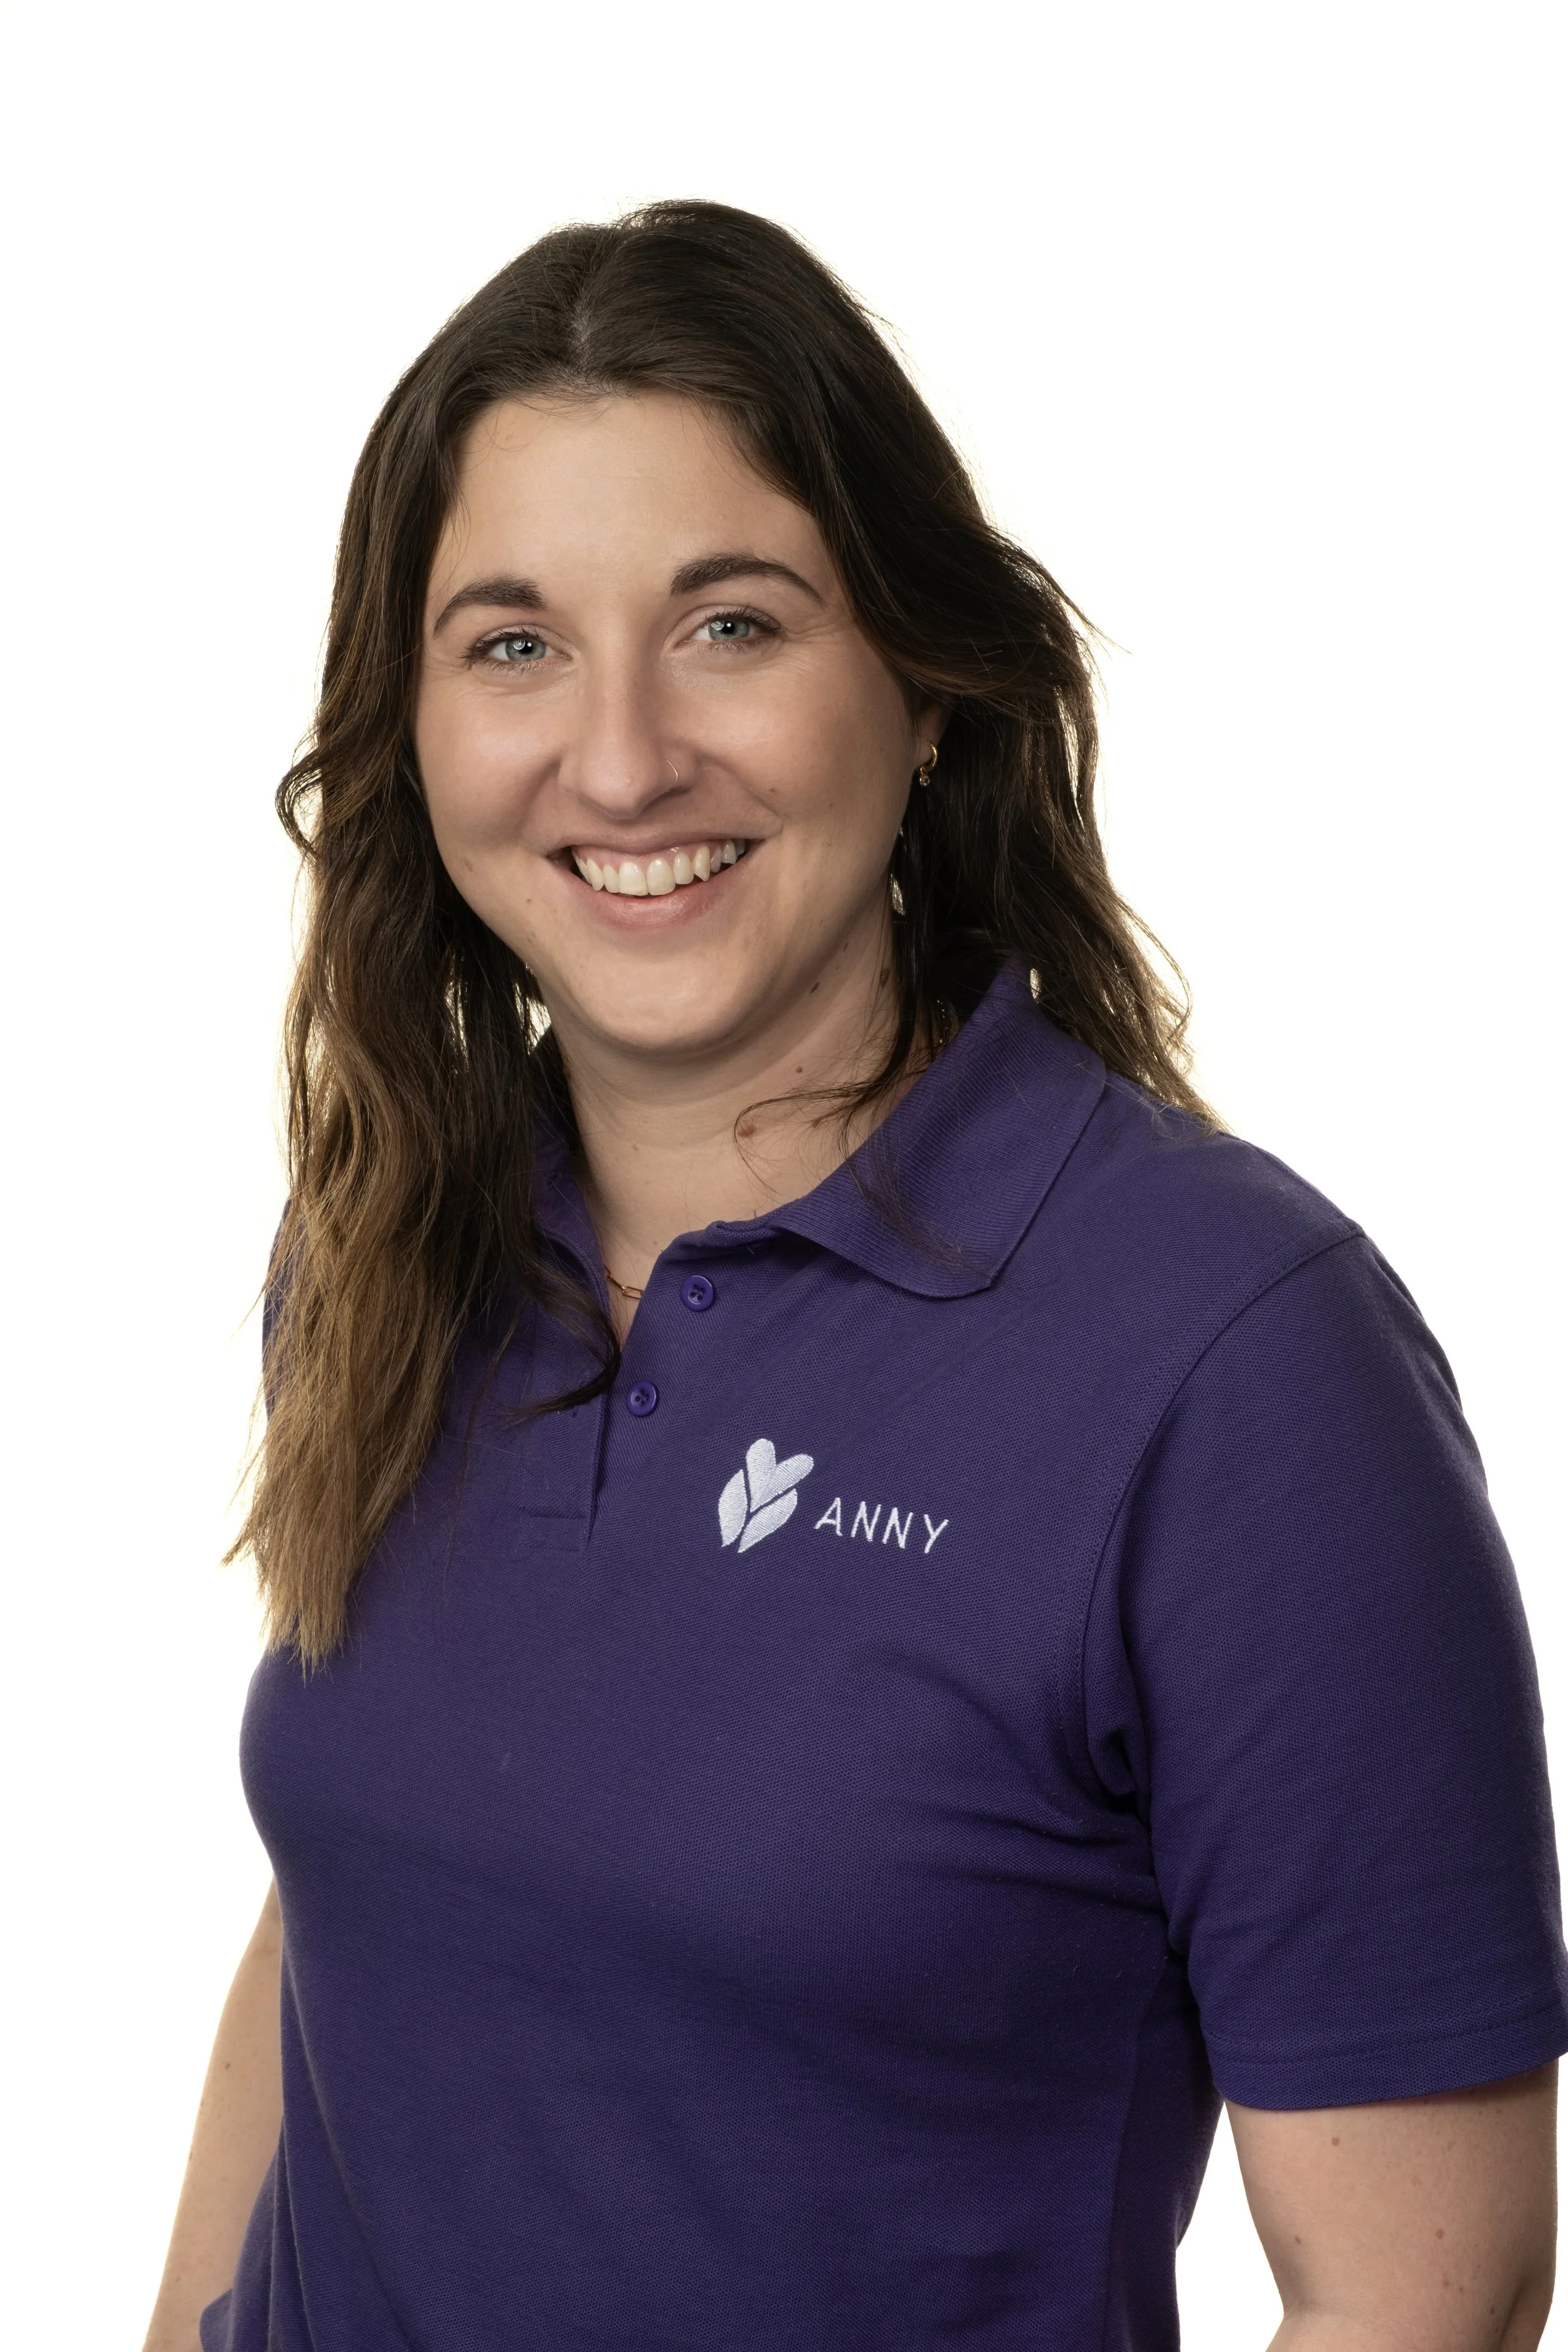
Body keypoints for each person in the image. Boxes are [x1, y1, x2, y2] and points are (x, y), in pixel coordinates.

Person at [144, 201, 1567, 2352]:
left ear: (923, 688)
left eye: (731, 624)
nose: (619, 759)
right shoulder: (393, 1246)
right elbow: (359, 1908)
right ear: (406, 726)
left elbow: (1410, 2302)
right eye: (511, 641)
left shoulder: (1234, 1367)